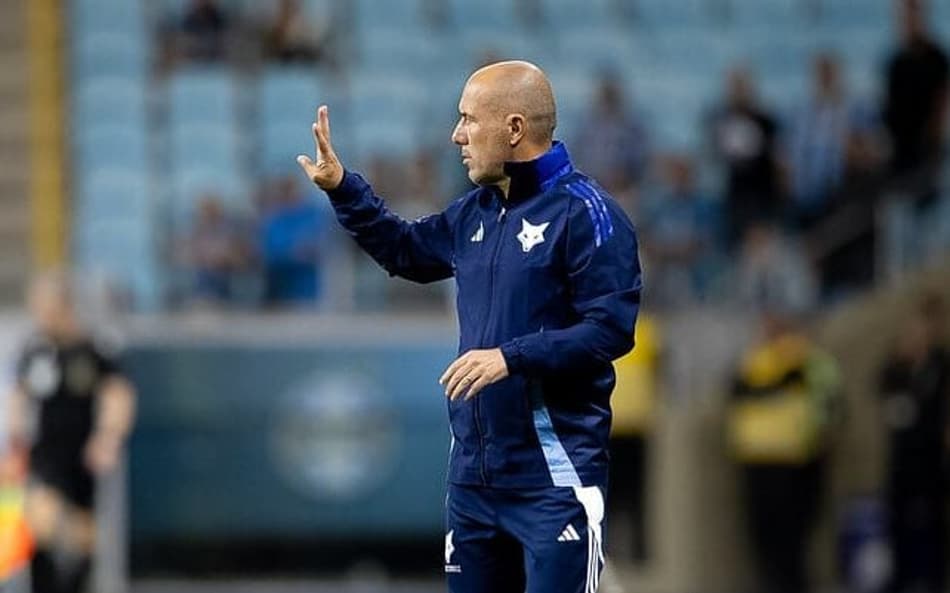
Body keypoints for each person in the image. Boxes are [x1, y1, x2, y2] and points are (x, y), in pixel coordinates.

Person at [297, 60, 642, 593]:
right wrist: (344, 188)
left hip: (555, 478)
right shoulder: (475, 212)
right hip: (474, 482)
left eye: (468, 120)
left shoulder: (589, 214)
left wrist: (511, 356)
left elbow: (611, 331)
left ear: (514, 129)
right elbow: (406, 252)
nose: (457, 135)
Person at [4, 273, 136, 593]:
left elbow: (119, 394)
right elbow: (18, 398)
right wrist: (14, 442)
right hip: (46, 451)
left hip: (82, 452)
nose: (39, 314)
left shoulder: (92, 349)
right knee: (41, 516)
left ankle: (76, 581)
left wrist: (108, 437)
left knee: (84, 531)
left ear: (63, 306)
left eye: (44, 306)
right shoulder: (35, 350)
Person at [726, 309, 840, 593]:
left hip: (796, 461)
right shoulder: (755, 359)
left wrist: (821, 438)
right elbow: (736, 392)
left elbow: (829, 402)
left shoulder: (805, 358)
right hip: (757, 460)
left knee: (792, 538)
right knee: (763, 536)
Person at [878, 294, 949, 593]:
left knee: (934, 518)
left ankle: (936, 578)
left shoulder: (941, 365)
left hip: (932, 454)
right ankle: (900, 577)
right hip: (901, 455)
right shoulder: (897, 368)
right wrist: (899, 359)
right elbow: (882, 392)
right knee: (898, 518)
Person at [882, 0, 948, 207]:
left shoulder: (937, 59)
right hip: (900, 153)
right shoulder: (896, 62)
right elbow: (889, 107)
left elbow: (942, 104)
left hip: (928, 151)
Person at [708, 67, 782, 246]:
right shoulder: (720, 120)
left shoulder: (766, 121)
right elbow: (713, 156)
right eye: (734, 87)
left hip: (761, 195)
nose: (738, 92)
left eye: (742, 86)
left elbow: (776, 158)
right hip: (733, 196)